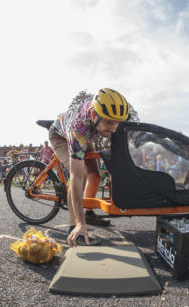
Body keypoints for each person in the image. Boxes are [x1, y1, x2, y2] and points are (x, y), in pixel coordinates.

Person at [49, 88, 130, 247]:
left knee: (95, 174)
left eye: (117, 122)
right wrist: (80, 223)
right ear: (94, 115)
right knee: (82, 174)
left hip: (89, 134)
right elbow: (76, 178)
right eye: (109, 122)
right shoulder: (79, 130)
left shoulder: (102, 116)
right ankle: (74, 227)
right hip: (61, 136)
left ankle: (89, 212)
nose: (114, 129)